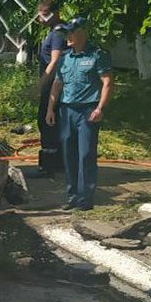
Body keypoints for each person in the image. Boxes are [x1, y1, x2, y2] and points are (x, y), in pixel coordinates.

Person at [45, 17, 113, 212]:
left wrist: (100, 108)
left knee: (86, 155)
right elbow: (57, 84)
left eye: (71, 33)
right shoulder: (65, 58)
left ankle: (85, 199)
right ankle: (72, 196)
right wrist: (50, 109)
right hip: (67, 110)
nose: (67, 37)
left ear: (82, 33)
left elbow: (107, 82)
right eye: (66, 33)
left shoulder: (97, 55)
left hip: (87, 111)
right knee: (69, 154)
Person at [31, 0, 68, 178]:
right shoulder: (54, 31)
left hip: (53, 84)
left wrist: (40, 85)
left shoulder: (58, 33)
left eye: (45, 15)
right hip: (54, 83)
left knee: (47, 122)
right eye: (39, 15)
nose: (41, 19)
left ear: (56, 13)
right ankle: (59, 162)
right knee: (53, 122)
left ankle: (49, 166)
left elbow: (54, 62)